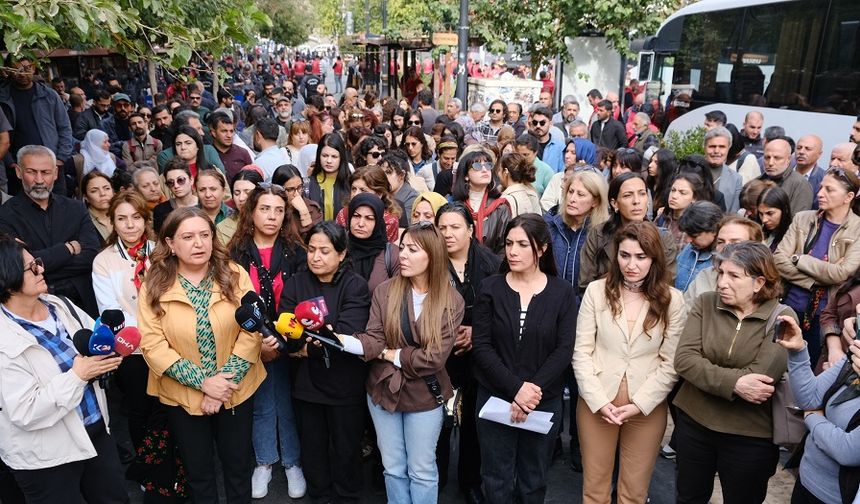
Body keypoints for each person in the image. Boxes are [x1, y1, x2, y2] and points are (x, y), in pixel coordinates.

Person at [138, 207, 266, 503]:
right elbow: (153, 344)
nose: (199, 243)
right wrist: (203, 383)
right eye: (188, 237)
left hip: (235, 391)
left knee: (237, 468)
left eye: (205, 235)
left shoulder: (234, 274)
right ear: (170, 243)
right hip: (182, 395)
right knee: (198, 474)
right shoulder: (154, 284)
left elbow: (252, 331)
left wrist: (220, 387)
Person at [336, 222, 465, 504]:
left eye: (412, 249)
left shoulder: (451, 300)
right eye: (402, 247)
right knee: (393, 468)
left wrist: (390, 354)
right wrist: (337, 340)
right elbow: (373, 338)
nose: (402, 255)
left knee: (421, 469)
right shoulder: (385, 291)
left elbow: (434, 358)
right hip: (383, 391)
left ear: (432, 255)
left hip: (424, 395)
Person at [0, 238, 128, 504]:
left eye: (37, 262)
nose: (41, 270)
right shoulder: (4, 336)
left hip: (95, 432)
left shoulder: (61, 305)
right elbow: (25, 410)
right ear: (7, 277)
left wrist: (108, 355)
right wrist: (77, 376)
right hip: (47, 457)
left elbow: (96, 340)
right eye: (30, 267)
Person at [673, 241, 795, 503]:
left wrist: (708, 374)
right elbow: (684, 360)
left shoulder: (782, 317)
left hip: (749, 437)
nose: (721, 283)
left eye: (733, 276)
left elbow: (763, 378)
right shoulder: (706, 304)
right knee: (688, 498)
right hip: (694, 424)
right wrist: (735, 383)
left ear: (759, 283)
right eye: (721, 273)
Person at [574, 221, 686, 504]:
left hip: (646, 406)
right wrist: (599, 401)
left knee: (634, 493)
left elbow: (670, 363)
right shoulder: (597, 291)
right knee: (594, 489)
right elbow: (581, 353)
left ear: (654, 258)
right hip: (597, 402)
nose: (631, 264)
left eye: (641, 257)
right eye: (625, 255)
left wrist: (639, 405)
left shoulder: (673, 300)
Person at [471, 214, 576, 502]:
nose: (513, 251)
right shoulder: (490, 288)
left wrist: (530, 392)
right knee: (495, 478)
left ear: (541, 249)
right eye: (508, 244)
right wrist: (516, 390)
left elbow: (564, 350)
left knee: (533, 479)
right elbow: (481, 347)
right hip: (495, 397)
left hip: (543, 401)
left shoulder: (562, 292)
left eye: (522, 244)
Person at [226, 184, 307, 499]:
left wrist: (283, 339)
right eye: (264, 208)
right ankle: (264, 462)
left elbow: (302, 296)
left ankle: (292, 462)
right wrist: (258, 341)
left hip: (289, 338)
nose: (272, 216)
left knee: (287, 400)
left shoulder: (296, 250)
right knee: (260, 403)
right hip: (250, 339)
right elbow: (230, 301)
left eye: (278, 210)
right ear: (251, 211)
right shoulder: (235, 251)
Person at [280, 222, 371, 503]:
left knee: (346, 451)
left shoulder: (355, 286)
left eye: (324, 251)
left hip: (346, 387)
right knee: (313, 451)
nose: (315, 257)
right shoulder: (296, 283)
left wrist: (312, 345)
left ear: (342, 254)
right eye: (311, 250)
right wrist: (306, 345)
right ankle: (320, 497)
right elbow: (288, 334)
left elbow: (346, 336)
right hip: (307, 386)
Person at [433, 203, 501, 500]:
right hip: (438, 353)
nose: (448, 234)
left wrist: (477, 334)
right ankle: (434, 476)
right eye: (442, 228)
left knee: (474, 421)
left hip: (480, 353)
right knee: (438, 420)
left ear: (471, 230)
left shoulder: (491, 263)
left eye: (455, 227)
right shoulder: (430, 262)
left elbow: (503, 311)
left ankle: (471, 481)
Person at [91, 191, 158, 459]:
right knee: (140, 409)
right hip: (132, 348)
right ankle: (148, 470)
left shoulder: (161, 251)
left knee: (171, 407)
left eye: (136, 217)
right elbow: (110, 310)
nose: (130, 225)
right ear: (112, 222)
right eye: (122, 218)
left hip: (169, 341)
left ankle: (175, 469)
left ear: (145, 219)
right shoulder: (103, 260)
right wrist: (149, 329)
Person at [773, 168, 860, 368]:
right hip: (789, 304)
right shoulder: (804, 218)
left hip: (823, 315)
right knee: (777, 365)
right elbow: (778, 260)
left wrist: (799, 259)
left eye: (829, 190)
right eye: (821, 188)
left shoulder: (857, 229)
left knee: (807, 369)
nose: (820, 193)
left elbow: (841, 274)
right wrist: (816, 280)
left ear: (849, 196)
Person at [0, 145, 101, 315]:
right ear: (18, 172)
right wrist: (68, 249)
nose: (39, 180)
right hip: (37, 304)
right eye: (31, 172)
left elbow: (91, 255)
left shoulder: (76, 208)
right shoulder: (5, 215)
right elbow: (15, 267)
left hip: (86, 300)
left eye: (45, 172)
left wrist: (40, 262)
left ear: (55, 173)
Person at [775, 313, 860, 503]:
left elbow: (848, 451)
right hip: (807, 482)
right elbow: (810, 398)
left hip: (837, 497)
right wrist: (798, 351)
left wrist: (812, 418)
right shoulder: (852, 361)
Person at [579, 173, 678, 292]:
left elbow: (666, 286)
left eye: (642, 194)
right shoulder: (599, 234)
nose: (636, 201)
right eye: (627, 195)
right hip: (604, 305)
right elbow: (585, 285)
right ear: (614, 203)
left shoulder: (663, 238)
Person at [0, 56, 74, 196]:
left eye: (27, 69)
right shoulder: (3, 97)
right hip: (19, 169)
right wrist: (10, 162)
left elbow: (64, 127)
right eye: (17, 69)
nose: (22, 74)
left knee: (56, 207)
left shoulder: (49, 95)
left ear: (34, 68)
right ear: (8, 70)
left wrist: (60, 159)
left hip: (51, 166)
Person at [451, 149, 512, 254]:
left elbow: (504, 247)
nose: (484, 170)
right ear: (466, 176)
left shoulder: (501, 207)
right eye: (477, 166)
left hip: (491, 267)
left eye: (488, 166)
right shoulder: (453, 206)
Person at [347, 193, 402, 293]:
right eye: (356, 216)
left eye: (369, 218)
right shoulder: (338, 248)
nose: (360, 224)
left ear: (378, 222)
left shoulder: (392, 255)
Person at [335, 165, 402, 240]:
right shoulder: (344, 214)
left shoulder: (390, 221)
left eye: (363, 190)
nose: (355, 194)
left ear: (379, 194)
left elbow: (388, 249)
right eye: (353, 189)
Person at [675, 201, 723, 293]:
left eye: (695, 236)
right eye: (687, 235)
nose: (688, 240)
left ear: (713, 230)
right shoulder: (689, 248)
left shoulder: (722, 258)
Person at [654, 173, 709, 252]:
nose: (674, 196)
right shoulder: (662, 217)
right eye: (673, 190)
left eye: (682, 193)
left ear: (694, 198)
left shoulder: (698, 226)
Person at [760, 138, 813, 216]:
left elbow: (798, 223)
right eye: (767, 157)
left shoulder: (800, 185)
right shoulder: (757, 181)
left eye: (777, 158)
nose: (770, 163)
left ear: (788, 160)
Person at [65, 129, 124, 197]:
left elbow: (123, 169)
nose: (109, 144)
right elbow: (61, 174)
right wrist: (75, 187)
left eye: (108, 141)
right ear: (94, 144)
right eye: (105, 142)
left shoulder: (110, 157)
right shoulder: (79, 160)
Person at [307, 133, 351, 221]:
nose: (329, 161)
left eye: (334, 156)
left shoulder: (351, 184)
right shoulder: (308, 184)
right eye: (325, 156)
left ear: (341, 158)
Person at [216, 169, 263, 245]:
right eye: (237, 193)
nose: (241, 198)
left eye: (248, 193)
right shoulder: (223, 228)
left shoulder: (271, 221)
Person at [702, 127, 743, 214]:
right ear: (704, 147)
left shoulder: (736, 179)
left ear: (728, 148)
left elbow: (733, 213)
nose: (716, 151)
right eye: (712, 146)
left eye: (722, 147)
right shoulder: (692, 170)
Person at [152, 158, 197, 233]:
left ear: (191, 180)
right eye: (171, 182)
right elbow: (160, 241)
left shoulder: (204, 205)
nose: (176, 186)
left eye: (180, 180)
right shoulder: (160, 211)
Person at [382, 151, 424, 226]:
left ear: (402, 175)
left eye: (388, 172)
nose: (384, 177)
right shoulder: (381, 192)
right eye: (382, 173)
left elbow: (404, 227)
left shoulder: (412, 198)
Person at [209, 112, 252, 182]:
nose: (229, 135)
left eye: (231, 131)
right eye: (224, 131)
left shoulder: (243, 153)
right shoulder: (207, 154)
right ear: (214, 133)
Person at [498, 152, 542, 217]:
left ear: (505, 171)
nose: (498, 173)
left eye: (499, 170)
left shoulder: (505, 200)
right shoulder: (532, 193)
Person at [81, 171, 115, 244]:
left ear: (113, 191)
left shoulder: (124, 214)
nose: (102, 194)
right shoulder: (81, 222)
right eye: (94, 191)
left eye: (107, 188)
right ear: (86, 197)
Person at [756, 185, 792, 251]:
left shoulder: (793, 236)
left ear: (785, 210)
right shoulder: (760, 234)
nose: (764, 220)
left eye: (770, 213)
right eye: (761, 214)